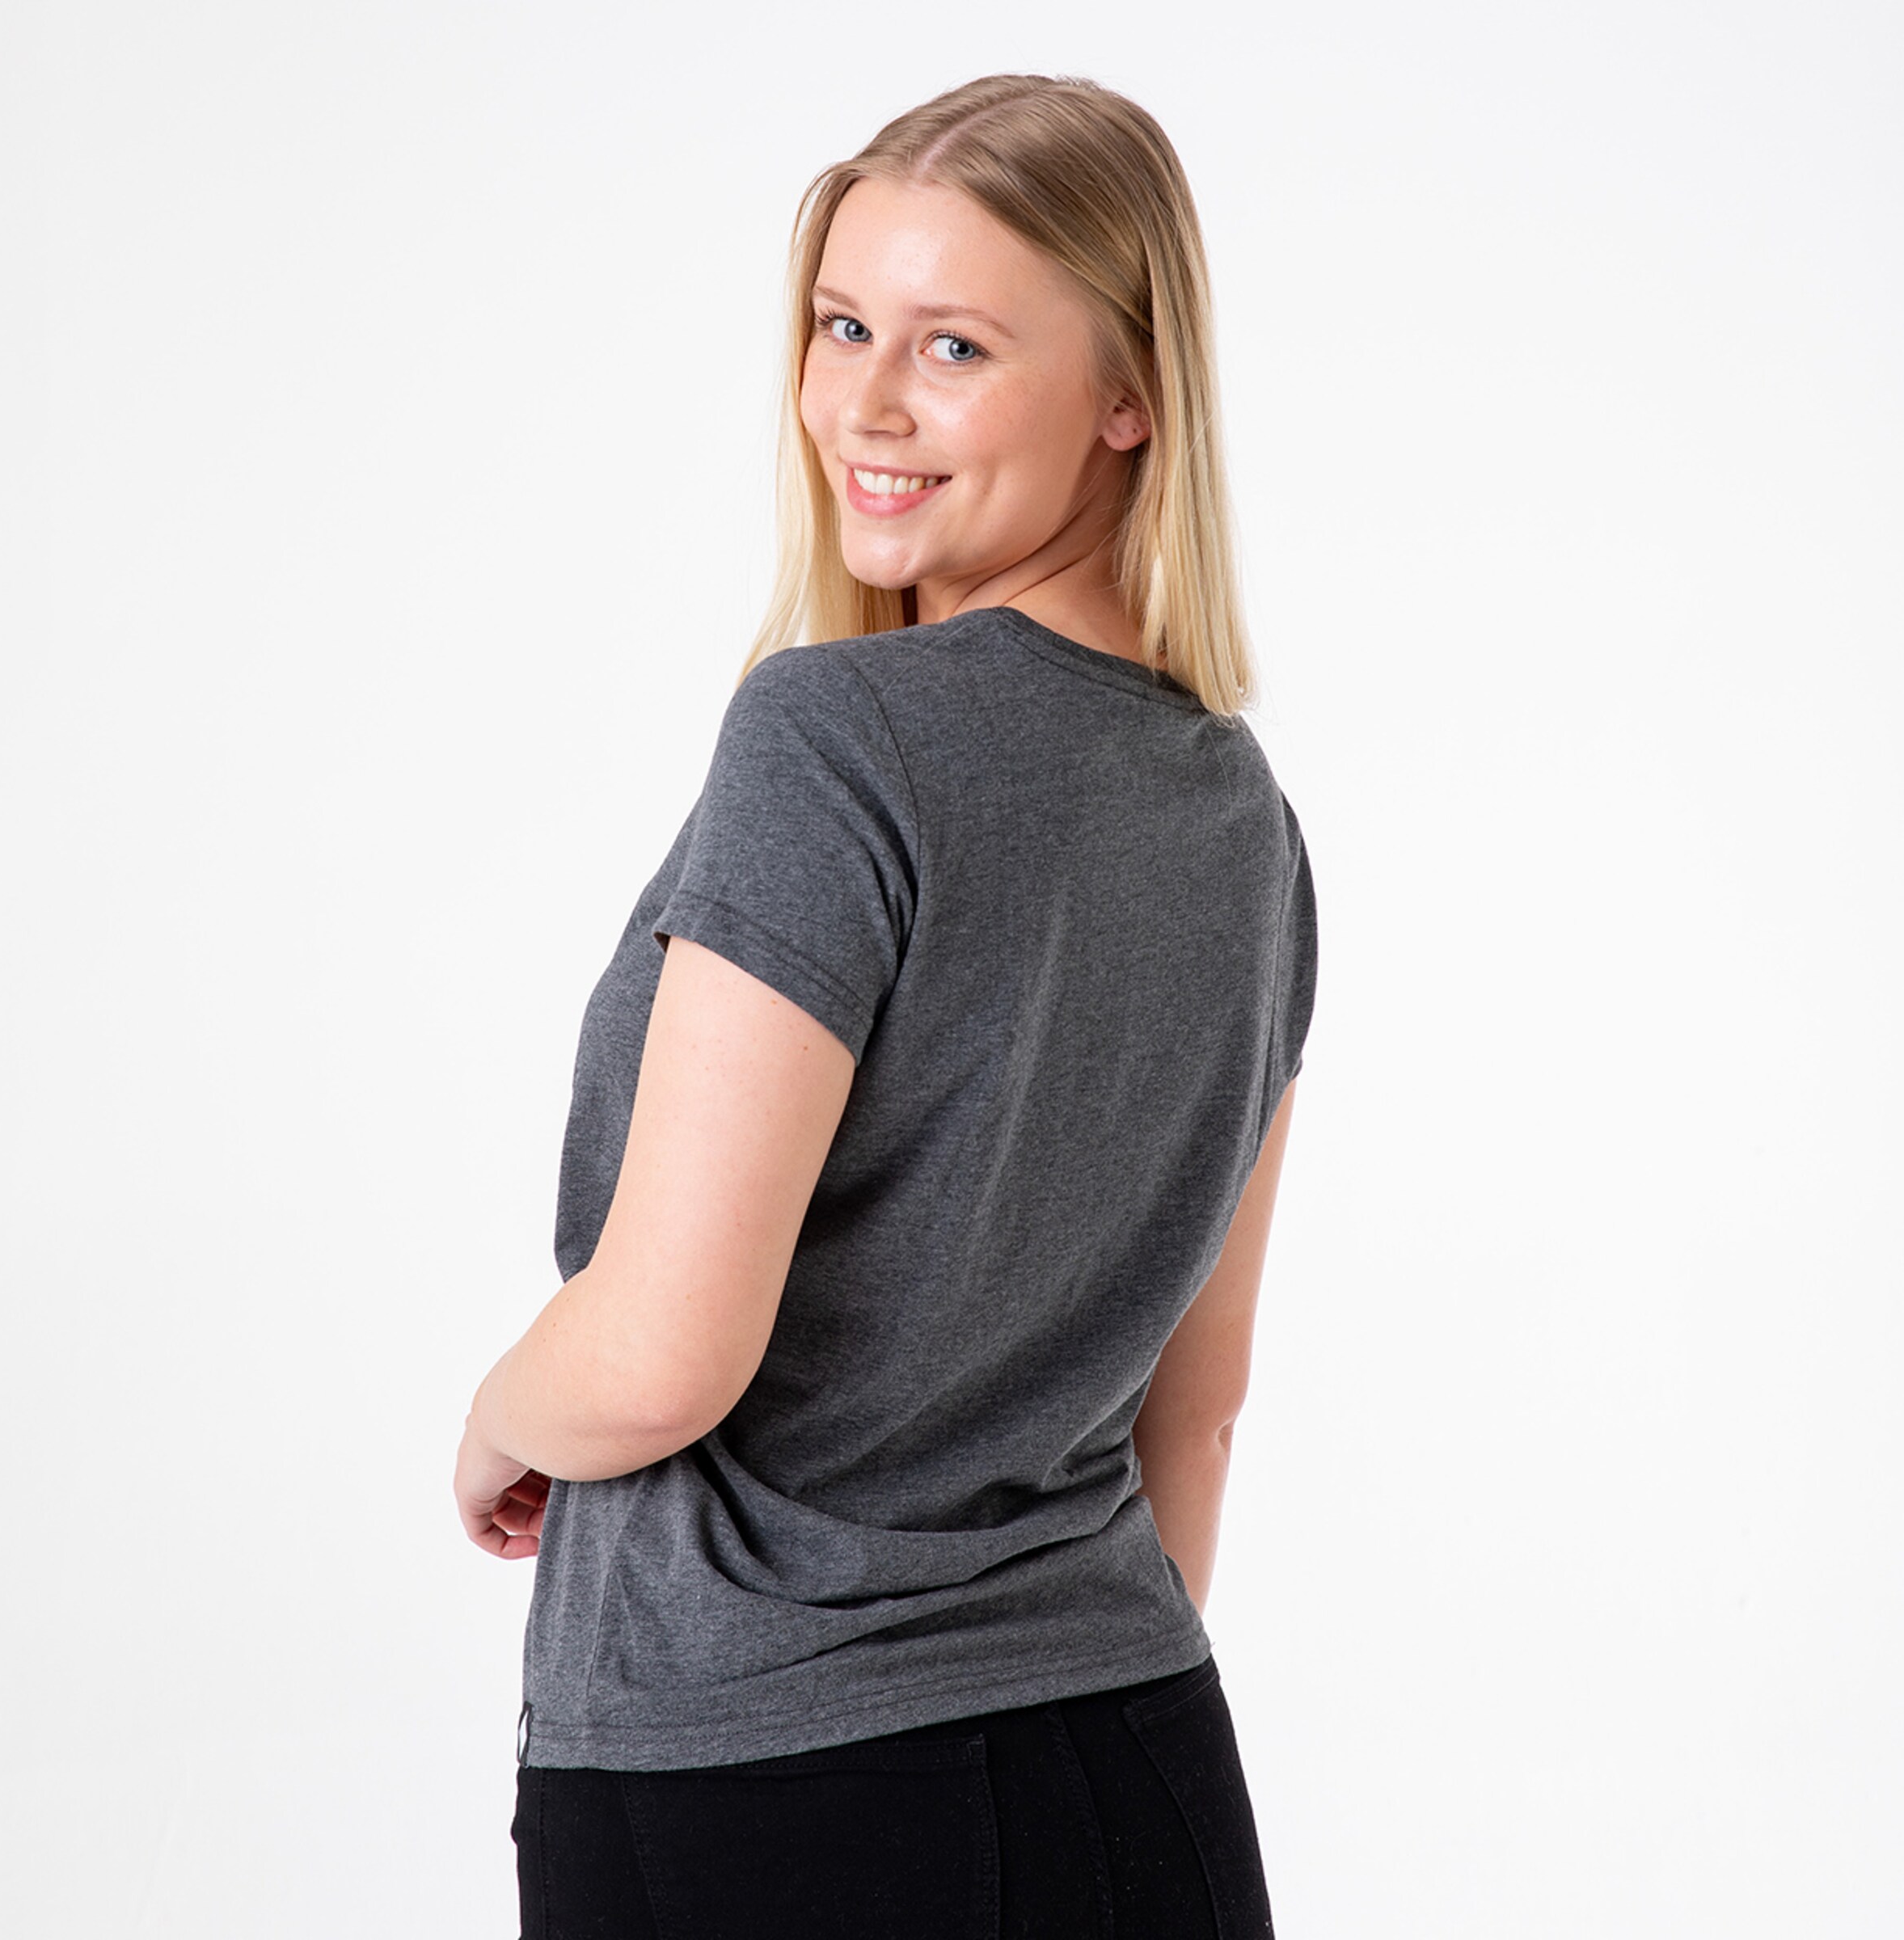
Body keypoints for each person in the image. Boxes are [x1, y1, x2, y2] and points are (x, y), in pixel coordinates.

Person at [454, 70, 1318, 1940]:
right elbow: (1206, 1395)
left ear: (1129, 397)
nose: (867, 400)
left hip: (772, 1782)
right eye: (845, 325)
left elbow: (664, 1349)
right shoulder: (1242, 815)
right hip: (1141, 1752)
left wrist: (502, 1409)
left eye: (953, 345)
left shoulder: (833, 743)